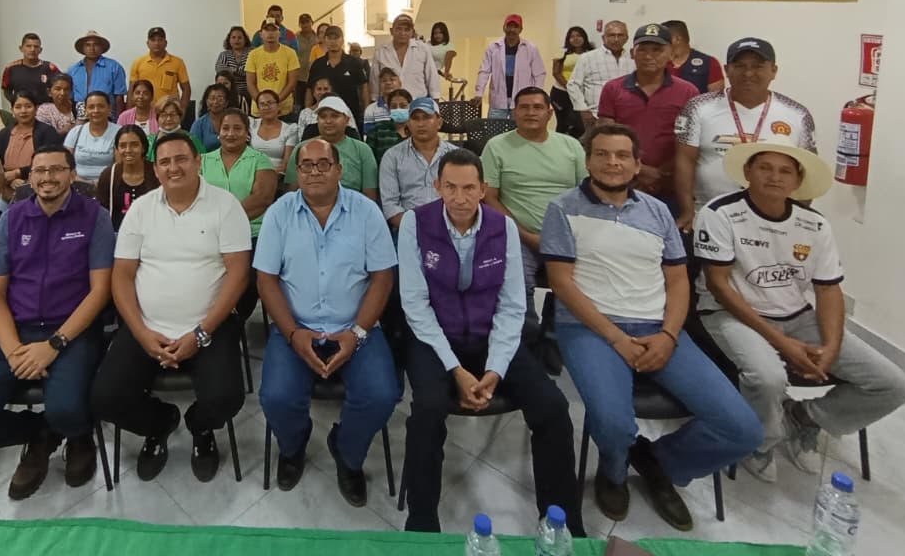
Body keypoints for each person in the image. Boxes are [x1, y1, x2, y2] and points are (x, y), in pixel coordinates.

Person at [541, 124, 761, 531]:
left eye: (622, 155)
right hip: (591, 328)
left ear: (637, 164)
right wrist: (616, 338)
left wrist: (669, 335)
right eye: (602, 154)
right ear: (588, 161)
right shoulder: (563, 208)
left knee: (743, 430)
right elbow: (562, 283)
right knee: (613, 424)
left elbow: (677, 280)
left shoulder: (657, 211)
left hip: (658, 325)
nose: (612, 163)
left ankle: (659, 463)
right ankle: (614, 472)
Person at [694, 142, 905, 482]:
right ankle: (761, 441)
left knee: (895, 385)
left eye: (785, 171)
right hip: (731, 314)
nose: (774, 177)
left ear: (797, 181)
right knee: (768, 378)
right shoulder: (720, 213)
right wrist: (782, 344)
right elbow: (719, 287)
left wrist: (831, 348)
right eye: (765, 167)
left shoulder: (814, 224)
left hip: (797, 316)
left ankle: (804, 418)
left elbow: (828, 289)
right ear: (748, 172)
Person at [399, 150, 585, 535]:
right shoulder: (416, 223)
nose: (460, 197)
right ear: (437, 187)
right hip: (435, 338)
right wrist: (456, 370)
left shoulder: (503, 228)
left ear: (483, 189)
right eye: (450, 187)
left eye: (469, 188)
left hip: (493, 336)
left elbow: (513, 305)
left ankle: (561, 524)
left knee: (553, 407)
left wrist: (495, 368)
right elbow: (415, 305)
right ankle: (422, 523)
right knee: (427, 410)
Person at [0, 146, 116, 499]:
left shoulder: (94, 216)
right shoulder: (12, 219)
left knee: (67, 410)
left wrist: (54, 345)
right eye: (40, 171)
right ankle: (40, 434)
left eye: (57, 169)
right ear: (30, 177)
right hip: (13, 331)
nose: (47, 177)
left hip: (71, 331)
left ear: (72, 174)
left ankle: (77, 433)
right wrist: (13, 351)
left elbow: (100, 291)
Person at [90, 133, 250, 483]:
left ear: (197, 162)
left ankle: (200, 427)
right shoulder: (141, 210)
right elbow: (122, 276)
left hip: (209, 326)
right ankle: (159, 424)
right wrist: (141, 332)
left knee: (226, 398)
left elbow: (239, 275)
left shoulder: (225, 206)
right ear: (156, 168)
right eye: (164, 162)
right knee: (106, 398)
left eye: (181, 159)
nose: (173, 168)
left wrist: (201, 333)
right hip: (147, 326)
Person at [256, 138, 399, 505]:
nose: (315, 172)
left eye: (323, 164)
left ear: (339, 170)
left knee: (382, 394)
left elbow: (383, 277)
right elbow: (266, 279)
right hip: (295, 325)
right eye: (306, 165)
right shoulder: (279, 214)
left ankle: (347, 454)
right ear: (297, 171)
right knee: (276, 397)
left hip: (356, 327)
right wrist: (292, 333)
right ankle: (293, 447)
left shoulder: (366, 212)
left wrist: (357, 333)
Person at [674, 37, 817, 232]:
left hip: (772, 222)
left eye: (758, 66)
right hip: (708, 215)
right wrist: (687, 210)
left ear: (773, 71)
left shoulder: (797, 114)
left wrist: (796, 216)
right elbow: (685, 160)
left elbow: (808, 169)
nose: (748, 73)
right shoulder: (698, 107)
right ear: (726, 70)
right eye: (739, 66)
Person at [482, 88, 586, 300]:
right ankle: (526, 323)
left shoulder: (572, 146)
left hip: (569, 237)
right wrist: (527, 236)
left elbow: (586, 193)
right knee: (514, 288)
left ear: (549, 113)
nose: (531, 112)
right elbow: (488, 197)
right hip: (518, 237)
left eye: (538, 107)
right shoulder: (496, 146)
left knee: (584, 285)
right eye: (524, 107)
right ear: (514, 113)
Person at [597, 24, 699, 212]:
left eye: (657, 50)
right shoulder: (613, 89)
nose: (649, 56)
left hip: (671, 186)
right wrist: (639, 170)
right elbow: (605, 136)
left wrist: (660, 174)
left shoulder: (688, 92)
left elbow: (691, 142)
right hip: (623, 183)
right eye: (642, 49)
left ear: (671, 53)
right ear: (632, 53)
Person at [379, 98, 456, 232]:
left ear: (439, 122)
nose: (421, 124)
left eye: (426, 117)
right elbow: (390, 206)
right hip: (408, 230)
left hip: (450, 230)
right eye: (415, 118)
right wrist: (418, 230)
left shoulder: (456, 156)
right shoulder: (392, 156)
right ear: (408, 123)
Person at [201, 110, 277, 240]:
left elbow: (262, 198)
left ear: (247, 132)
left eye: (237, 128)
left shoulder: (260, 160)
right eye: (225, 128)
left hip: (251, 234)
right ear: (219, 132)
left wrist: (226, 220)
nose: (231, 134)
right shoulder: (203, 161)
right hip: (210, 233)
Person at [284, 97, 378, 200]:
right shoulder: (302, 149)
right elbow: (292, 193)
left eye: (335, 116)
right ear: (317, 120)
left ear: (347, 120)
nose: (328, 121)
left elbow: (370, 195)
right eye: (323, 116)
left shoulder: (362, 150)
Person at [0, 90, 64, 202]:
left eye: (28, 106)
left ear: (36, 108)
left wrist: (17, 173)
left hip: (40, 188)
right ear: (12, 110)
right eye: (18, 107)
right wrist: (9, 179)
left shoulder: (47, 132)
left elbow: (50, 162)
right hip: (7, 187)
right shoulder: (5, 133)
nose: (23, 111)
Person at [473, 14, 546, 119]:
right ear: (504, 28)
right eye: (509, 26)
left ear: (520, 29)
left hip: (522, 100)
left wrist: (536, 95)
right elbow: (484, 71)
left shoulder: (530, 48)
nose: (512, 30)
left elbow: (539, 74)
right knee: (495, 128)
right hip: (498, 101)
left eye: (515, 27)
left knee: (520, 128)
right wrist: (479, 93)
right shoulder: (493, 47)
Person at [566, 20, 634, 131]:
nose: (616, 39)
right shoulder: (588, 58)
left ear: (626, 38)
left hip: (626, 118)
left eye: (620, 35)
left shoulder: (633, 60)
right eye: (612, 35)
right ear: (603, 38)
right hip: (596, 117)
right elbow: (573, 84)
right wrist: (583, 109)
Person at [96, 125, 160, 231]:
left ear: (143, 147)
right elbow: (101, 212)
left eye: (134, 145)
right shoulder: (109, 175)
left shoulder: (157, 173)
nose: (128, 150)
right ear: (117, 149)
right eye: (122, 146)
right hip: (117, 234)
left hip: (152, 233)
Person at [307, 24, 370, 120]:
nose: (333, 41)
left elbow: (364, 88)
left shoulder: (354, 63)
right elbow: (309, 89)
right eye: (330, 38)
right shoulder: (318, 64)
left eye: (336, 38)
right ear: (325, 40)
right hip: (324, 117)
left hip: (350, 115)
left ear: (342, 40)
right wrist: (307, 113)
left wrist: (367, 112)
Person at [371, 13, 438, 101]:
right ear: (391, 31)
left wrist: (435, 101)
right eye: (399, 29)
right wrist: (374, 100)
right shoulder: (381, 52)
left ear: (412, 32)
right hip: (390, 104)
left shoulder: (423, 49)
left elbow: (432, 76)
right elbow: (375, 80)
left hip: (418, 103)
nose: (402, 33)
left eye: (407, 30)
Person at [62, 91, 121, 187]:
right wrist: (81, 182)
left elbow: (120, 167)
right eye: (91, 107)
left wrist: (99, 184)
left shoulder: (119, 132)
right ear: (85, 110)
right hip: (77, 184)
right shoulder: (76, 132)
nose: (96, 110)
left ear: (109, 108)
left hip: (109, 185)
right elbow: (65, 163)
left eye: (101, 106)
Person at [130, 27, 192, 115]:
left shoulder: (178, 62)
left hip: (168, 113)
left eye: (160, 40)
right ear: (148, 43)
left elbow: (186, 89)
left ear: (165, 43)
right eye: (153, 40)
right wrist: (130, 113)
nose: (157, 43)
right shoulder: (138, 63)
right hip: (145, 112)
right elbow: (131, 90)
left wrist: (182, 110)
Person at [68, 30, 128, 119]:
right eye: (88, 45)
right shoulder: (73, 70)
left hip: (107, 114)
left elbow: (119, 97)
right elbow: (70, 99)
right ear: (83, 48)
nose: (92, 48)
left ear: (102, 47)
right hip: (81, 115)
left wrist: (119, 120)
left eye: (96, 44)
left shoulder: (114, 67)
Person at [247, 19, 300, 119]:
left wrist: (276, 102)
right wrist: (262, 103)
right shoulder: (253, 55)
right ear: (260, 34)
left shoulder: (290, 53)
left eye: (274, 30)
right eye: (267, 30)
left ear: (279, 33)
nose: (270, 33)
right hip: (259, 110)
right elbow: (250, 83)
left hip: (283, 110)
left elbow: (292, 83)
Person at [663, 20, 726, 94]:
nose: (661, 43)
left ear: (677, 39)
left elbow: (716, 97)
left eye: (664, 39)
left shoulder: (709, 63)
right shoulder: (660, 62)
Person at [551, 27, 593, 137]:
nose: (575, 39)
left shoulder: (591, 53)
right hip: (561, 92)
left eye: (578, 36)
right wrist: (570, 87)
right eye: (572, 37)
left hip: (581, 94)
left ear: (584, 37)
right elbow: (556, 73)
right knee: (563, 123)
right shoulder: (562, 52)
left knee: (578, 124)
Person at [1, 33, 64, 106]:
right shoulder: (11, 68)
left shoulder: (50, 68)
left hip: (46, 110)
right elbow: (6, 91)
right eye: (28, 46)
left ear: (40, 50)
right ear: (21, 48)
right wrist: (16, 103)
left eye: (36, 46)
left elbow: (61, 87)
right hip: (22, 110)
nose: (32, 49)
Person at [249, 89, 299, 174]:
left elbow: (286, 163)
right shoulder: (251, 124)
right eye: (262, 104)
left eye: (270, 103)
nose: (266, 107)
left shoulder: (290, 129)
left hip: (278, 175)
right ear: (258, 108)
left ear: (278, 106)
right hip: (251, 171)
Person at [146, 96, 207, 160]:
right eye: (164, 115)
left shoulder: (192, 140)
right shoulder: (149, 142)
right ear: (157, 118)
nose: (168, 119)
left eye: (173, 114)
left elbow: (204, 161)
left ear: (180, 117)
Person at [366, 88, 412, 165]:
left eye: (403, 106)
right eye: (394, 106)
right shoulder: (377, 131)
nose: (398, 109)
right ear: (388, 109)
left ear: (411, 107)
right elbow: (369, 161)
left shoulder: (416, 131)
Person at [214, 26, 253, 109]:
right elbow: (220, 70)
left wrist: (232, 71)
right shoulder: (224, 54)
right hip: (229, 93)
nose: (236, 40)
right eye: (233, 37)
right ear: (229, 40)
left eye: (239, 38)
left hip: (249, 92)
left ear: (245, 39)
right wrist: (240, 71)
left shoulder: (252, 53)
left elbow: (250, 71)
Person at [190, 83, 232, 151]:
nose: (215, 102)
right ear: (206, 101)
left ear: (226, 103)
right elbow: (194, 149)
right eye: (212, 98)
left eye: (220, 99)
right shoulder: (199, 124)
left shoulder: (233, 121)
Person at [363, 67, 403, 136]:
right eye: (384, 81)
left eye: (392, 79)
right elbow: (368, 135)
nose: (388, 83)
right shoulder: (371, 109)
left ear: (400, 83)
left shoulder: (408, 106)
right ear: (379, 85)